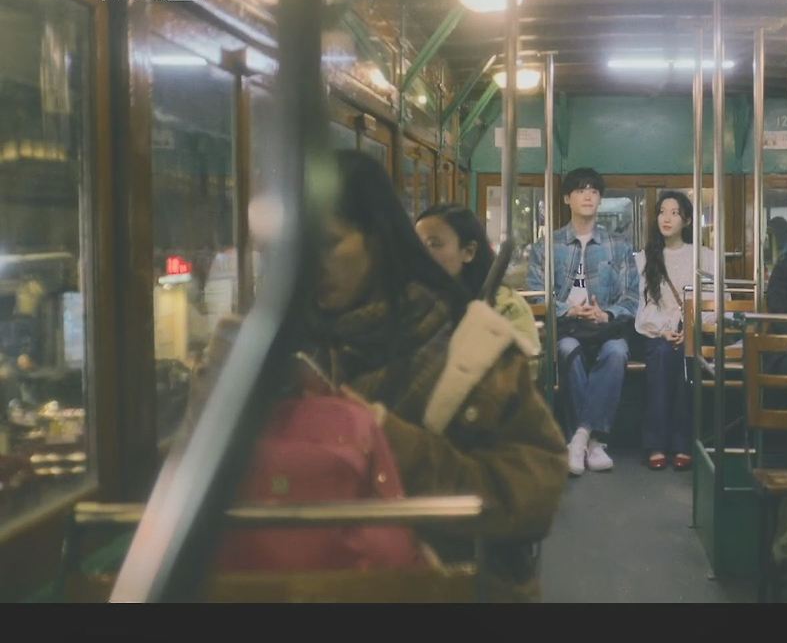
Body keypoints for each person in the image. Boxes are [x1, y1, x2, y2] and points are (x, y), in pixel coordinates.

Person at [188, 150, 567, 601]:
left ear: (379, 238)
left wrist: (386, 439)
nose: (308, 266)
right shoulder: (280, 345)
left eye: (327, 244)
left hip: (439, 589)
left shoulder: (472, 347)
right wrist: (216, 395)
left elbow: (532, 496)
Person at [527, 167, 640, 476]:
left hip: (606, 328)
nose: (588, 196)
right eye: (580, 190)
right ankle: (594, 442)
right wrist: (569, 310)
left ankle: (578, 439)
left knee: (617, 352)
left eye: (593, 191)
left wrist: (607, 313)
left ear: (600, 199)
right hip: (568, 327)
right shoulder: (546, 246)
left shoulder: (619, 245)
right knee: (567, 350)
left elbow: (632, 296)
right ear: (567, 199)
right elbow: (537, 296)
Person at [634, 191, 713, 471]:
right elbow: (643, 305)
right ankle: (656, 443)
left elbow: (716, 300)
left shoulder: (703, 256)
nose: (666, 218)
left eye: (675, 213)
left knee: (686, 355)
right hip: (658, 332)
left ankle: (682, 443)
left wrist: (691, 327)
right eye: (662, 212)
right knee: (662, 353)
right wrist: (664, 329)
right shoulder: (645, 259)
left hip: (696, 329)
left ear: (687, 220)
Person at [415, 203, 541, 362]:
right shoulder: (413, 303)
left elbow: (524, 366)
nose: (421, 254)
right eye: (417, 245)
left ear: (469, 251)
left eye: (434, 244)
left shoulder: (506, 305)